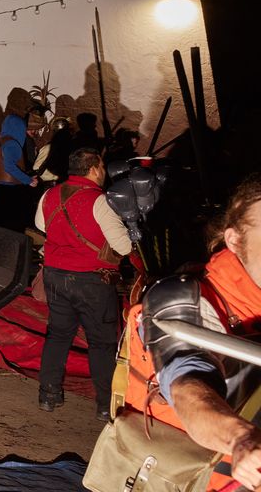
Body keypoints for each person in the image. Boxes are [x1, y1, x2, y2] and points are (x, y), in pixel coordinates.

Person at [112, 174, 261, 491]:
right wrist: (241, 439)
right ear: (235, 239)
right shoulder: (184, 303)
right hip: (184, 478)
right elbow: (187, 386)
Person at [34, 147, 130, 419]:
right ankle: (104, 404)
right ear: (93, 169)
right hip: (93, 280)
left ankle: (48, 395)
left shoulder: (50, 194)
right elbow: (122, 245)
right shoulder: (99, 200)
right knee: (101, 343)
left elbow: (41, 225)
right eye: (101, 167)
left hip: (56, 275)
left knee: (58, 335)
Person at [0, 113, 38, 231]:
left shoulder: (1, 141)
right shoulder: (12, 143)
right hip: (11, 195)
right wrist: (28, 180)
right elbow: (9, 167)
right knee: (12, 231)